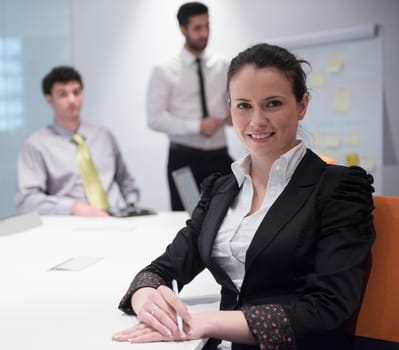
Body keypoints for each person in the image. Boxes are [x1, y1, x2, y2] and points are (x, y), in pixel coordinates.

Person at [112, 43, 375, 349]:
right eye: (244, 105)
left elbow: (328, 307)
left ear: (302, 105)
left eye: (273, 103)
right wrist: (146, 298)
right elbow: (164, 268)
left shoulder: (339, 188)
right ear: (230, 108)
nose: (256, 120)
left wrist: (205, 322)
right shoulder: (221, 189)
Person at [15, 66, 140, 217]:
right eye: (63, 94)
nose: (72, 100)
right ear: (49, 99)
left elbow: (125, 181)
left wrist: (133, 206)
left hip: (118, 218)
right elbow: (27, 201)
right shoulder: (36, 145)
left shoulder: (104, 135)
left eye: (76, 92)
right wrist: (74, 208)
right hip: (72, 222)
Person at [147, 2, 233, 210]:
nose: (204, 33)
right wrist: (198, 126)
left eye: (207, 26)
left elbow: (230, 107)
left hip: (220, 156)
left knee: (229, 214)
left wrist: (234, 115)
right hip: (184, 160)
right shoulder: (164, 70)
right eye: (197, 28)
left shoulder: (223, 65)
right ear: (182, 29)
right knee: (188, 220)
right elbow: (155, 118)